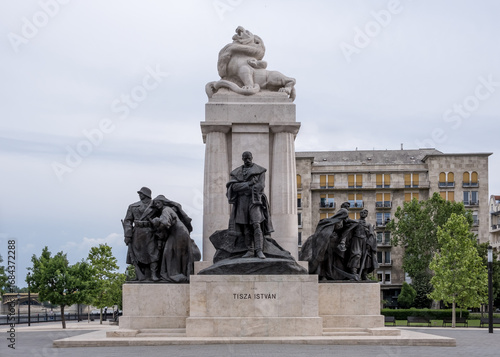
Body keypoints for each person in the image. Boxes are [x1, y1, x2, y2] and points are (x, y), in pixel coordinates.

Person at [226, 151, 273, 259]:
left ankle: (259, 250)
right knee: (246, 226)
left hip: (254, 201)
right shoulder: (236, 172)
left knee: (256, 224)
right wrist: (249, 184)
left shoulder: (260, 171)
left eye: (249, 158)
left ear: (252, 157)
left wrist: (243, 186)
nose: (247, 160)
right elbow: (234, 187)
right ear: (242, 159)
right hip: (242, 201)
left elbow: (260, 186)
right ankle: (250, 250)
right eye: (245, 158)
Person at [151, 195, 195, 283]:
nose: (157, 205)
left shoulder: (166, 210)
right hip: (177, 233)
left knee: (176, 253)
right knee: (169, 252)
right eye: (155, 204)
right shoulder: (167, 210)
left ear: (163, 202)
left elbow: (165, 223)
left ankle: (176, 275)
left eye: (158, 202)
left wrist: (157, 221)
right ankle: (174, 274)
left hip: (179, 233)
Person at [122, 187, 161, 281]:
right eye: (139, 194)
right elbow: (127, 221)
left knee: (153, 253)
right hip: (138, 232)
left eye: (141, 193)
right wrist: (128, 235)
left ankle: (153, 275)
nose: (140, 195)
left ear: (146, 195)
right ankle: (140, 275)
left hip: (151, 231)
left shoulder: (155, 206)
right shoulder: (133, 206)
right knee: (137, 254)